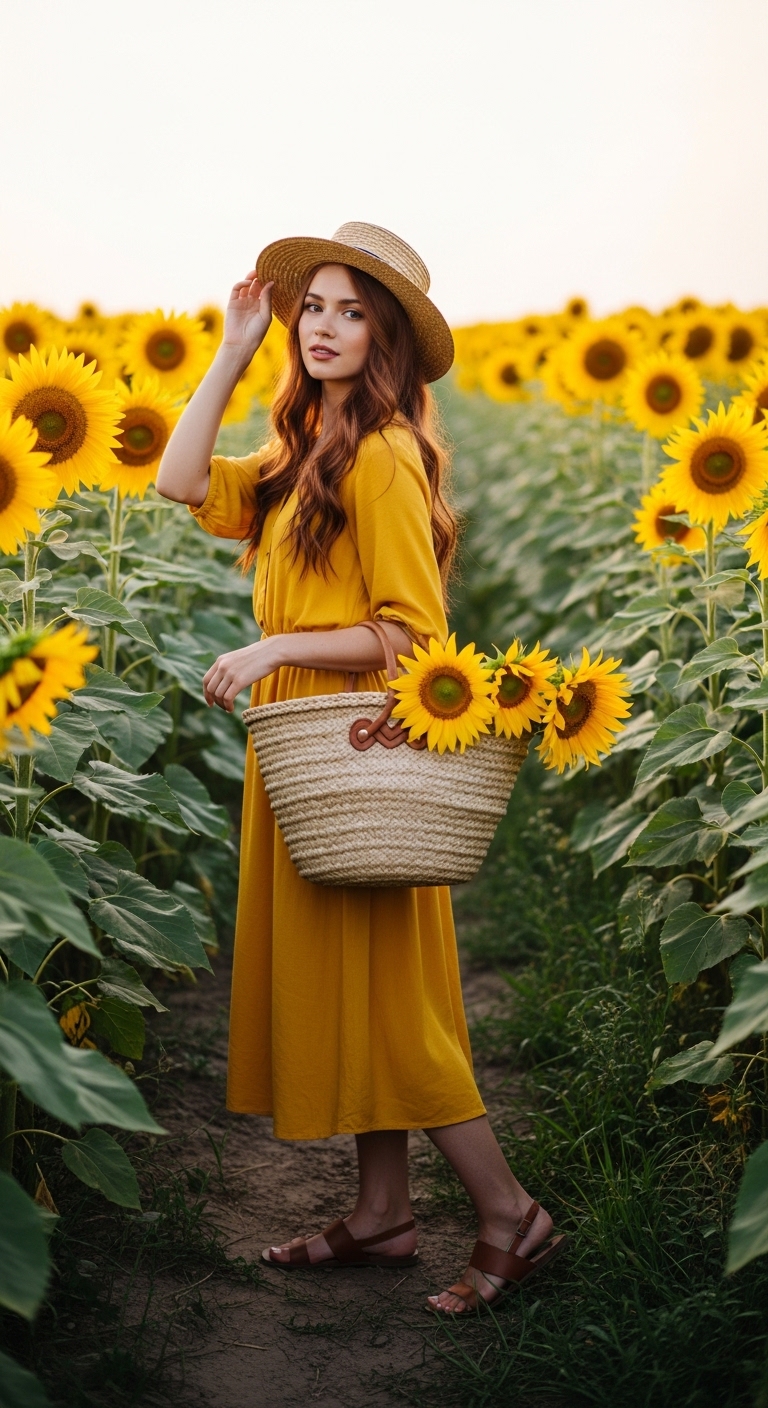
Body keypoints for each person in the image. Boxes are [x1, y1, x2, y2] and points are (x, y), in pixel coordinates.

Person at [156, 223, 565, 1313]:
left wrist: (280, 645)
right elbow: (176, 479)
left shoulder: (382, 455)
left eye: (351, 310)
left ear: (383, 337)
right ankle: (383, 1214)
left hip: (351, 751)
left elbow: (409, 636)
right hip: (305, 757)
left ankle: (510, 1212)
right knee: (358, 984)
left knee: (393, 1009)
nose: (325, 325)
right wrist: (236, 350)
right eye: (315, 307)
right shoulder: (302, 453)